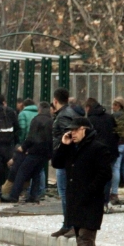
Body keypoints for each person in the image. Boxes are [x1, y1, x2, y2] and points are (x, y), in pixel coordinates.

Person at [52, 117, 112, 246]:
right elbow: (57, 163)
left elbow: (105, 174)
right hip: (75, 199)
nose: (72, 133)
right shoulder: (72, 147)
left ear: (84, 129)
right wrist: (63, 145)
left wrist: (90, 190)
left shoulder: (98, 148)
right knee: (81, 234)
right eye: (70, 130)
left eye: (75, 130)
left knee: (86, 235)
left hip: (91, 199)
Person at [2, 102, 53, 203]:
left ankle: (14, 196)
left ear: (40, 109)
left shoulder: (37, 119)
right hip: (45, 152)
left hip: (34, 151)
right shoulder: (51, 121)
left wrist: (24, 147)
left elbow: (31, 137)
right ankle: (34, 196)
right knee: (36, 173)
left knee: (22, 171)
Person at [50, 88, 84, 238]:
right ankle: (67, 224)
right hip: (67, 158)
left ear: (55, 100)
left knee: (65, 193)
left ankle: (69, 224)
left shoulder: (63, 116)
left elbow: (69, 135)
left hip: (65, 158)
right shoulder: (70, 113)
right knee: (66, 192)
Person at [85, 98, 119, 211]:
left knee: (95, 177)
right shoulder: (110, 117)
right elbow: (117, 133)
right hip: (111, 152)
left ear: (88, 108)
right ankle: (105, 202)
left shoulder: (90, 120)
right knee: (107, 176)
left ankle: (96, 202)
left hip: (96, 152)